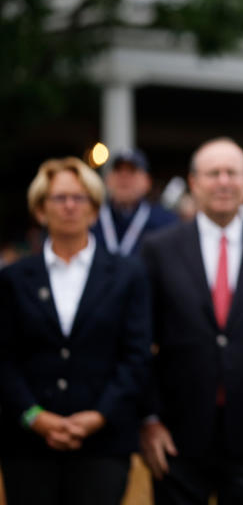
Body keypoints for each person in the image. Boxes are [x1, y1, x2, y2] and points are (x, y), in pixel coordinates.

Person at [139, 138, 243, 505]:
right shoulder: (158, 250)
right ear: (194, 183)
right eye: (213, 174)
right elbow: (141, 339)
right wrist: (148, 418)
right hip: (175, 437)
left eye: (232, 173)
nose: (223, 182)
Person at [0, 157, 151, 505]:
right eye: (59, 198)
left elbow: (136, 355)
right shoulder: (13, 278)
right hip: (30, 445)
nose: (69, 206)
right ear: (40, 210)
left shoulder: (128, 275)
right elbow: (4, 359)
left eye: (79, 198)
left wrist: (99, 416)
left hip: (103, 442)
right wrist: (34, 417)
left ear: (94, 210)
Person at [91, 148, 177, 256]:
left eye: (132, 171)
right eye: (118, 171)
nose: (124, 177)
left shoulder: (166, 223)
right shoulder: (91, 218)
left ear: (147, 181)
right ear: (107, 179)